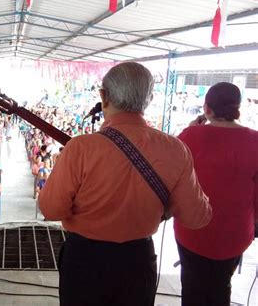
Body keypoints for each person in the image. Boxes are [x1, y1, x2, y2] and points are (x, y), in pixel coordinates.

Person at [39, 62, 212, 306]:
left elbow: (51, 209)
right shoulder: (175, 149)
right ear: (149, 99)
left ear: (104, 97)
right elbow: (197, 217)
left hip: (85, 260)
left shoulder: (81, 148)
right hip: (137, 260)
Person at [173, 82, 258, 306]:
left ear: (207, 108)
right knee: (221, 283)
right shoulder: (255, 141)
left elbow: (173, 176)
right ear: (238, 108)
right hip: (235, 235)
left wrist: (191, 130)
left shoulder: (190, 136)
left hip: (193, 231)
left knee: (192, 285)